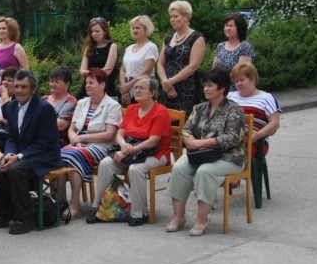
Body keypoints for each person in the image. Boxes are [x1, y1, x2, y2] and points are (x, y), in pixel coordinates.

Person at [165, 68, 246, 236]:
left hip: (229, 157)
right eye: (205, 85)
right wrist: (190, 141)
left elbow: (232, 138)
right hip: (200, 153)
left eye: (210, 85)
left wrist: (201, 143)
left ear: (222, 88)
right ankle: (178, 217)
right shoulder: (199, 108)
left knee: (204, 172)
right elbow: (186, 130)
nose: (206, 89)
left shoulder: (234, 109)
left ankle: (201, 220)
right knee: (178, 168)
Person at [89, 76, 171, 226]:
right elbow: (120, 133)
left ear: (152, 92)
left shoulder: (161, 111)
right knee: (106, 163)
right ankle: (99, 208)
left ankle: (139, 213)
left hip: (156, 153)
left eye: (141, 88)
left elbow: (153, 141)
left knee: (135, 169)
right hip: (131, 150)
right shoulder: (132, 109)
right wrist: (123, 146)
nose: (137, 91)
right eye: (135, 88)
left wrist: (129, 150)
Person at [0, 69, 61, 235]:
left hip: (44, 155)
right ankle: (5, 213)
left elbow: (45, 143)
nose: (19, 90)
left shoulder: (44, 109)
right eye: (17, 86)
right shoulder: (11, 107)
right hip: (20, 154)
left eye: (23, 87)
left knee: (16, 170)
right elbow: (11, 137)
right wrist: (9, 154)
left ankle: (26, 218)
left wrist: (18, 156)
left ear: (33, 89)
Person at [59, 68, 122, 218]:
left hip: (101, 147)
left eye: (91, 83)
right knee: (57, 155)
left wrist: (82, 139)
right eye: (86, 83)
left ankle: (75, 204)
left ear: (102, 85)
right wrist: (74, 140)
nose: (87, 85)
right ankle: (60, 202)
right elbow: (72, 129)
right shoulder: (82, 103)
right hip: (79, 145)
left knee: (74, 156)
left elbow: (109, 134)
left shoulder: (113, 105)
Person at [229, 63, 280, 203]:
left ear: (253, 79)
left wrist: (258, 135)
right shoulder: (230, 96)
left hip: (255, 142)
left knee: (227, 151)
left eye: (242, 80)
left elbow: (274, 123)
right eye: (236, 81)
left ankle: (229, 175)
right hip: (229, 138)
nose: (238, 84)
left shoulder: (266, 98)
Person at [157, 0, 206, 112]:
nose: (172, 19)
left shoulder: (197, 38)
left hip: (188, 90)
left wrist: (170, 82)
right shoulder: (168, 39)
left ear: (186, 17)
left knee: (186, 119)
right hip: (168, 89)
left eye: (175, 16)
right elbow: (160, 64)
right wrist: (165, 83)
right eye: (171, 17)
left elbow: (193, 66)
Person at [118, 15, 159, 105]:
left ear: (146, 29)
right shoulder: (129, 48)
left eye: (137, 28)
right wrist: (124, 89)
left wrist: (129, 85)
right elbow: (123, 70)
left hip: (144, 91)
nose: (134, 30)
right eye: (133, 28)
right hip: (128, 93)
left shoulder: (151, 47)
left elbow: (147, 70)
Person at [212, 13, 255, 90]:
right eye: (226, 25)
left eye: (231, 26)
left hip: (237, 89)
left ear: (239, 28)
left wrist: (219, 80)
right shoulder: (220, 46)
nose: (228, 28)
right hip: (219, 88)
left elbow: (240, 73)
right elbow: (213, 69)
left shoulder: (245, 47)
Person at [78, 17, 118, 98]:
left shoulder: (112, 46)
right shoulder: (88, 48)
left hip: (106, 89)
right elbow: (82, 71)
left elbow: (107, 70)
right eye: (92, 31)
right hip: (88, 90)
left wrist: (89, 74)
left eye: (97, 31)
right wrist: (92, 75)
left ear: (105, 31)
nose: (94, 34)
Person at [0, 17, 29, 91]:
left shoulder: (17, 47)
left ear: (11, 30)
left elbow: (26, 70)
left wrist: (7, 73)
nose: (1, 31)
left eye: (4, 28)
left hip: (12, 88)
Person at [43, 65, 78, 141]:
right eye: (52, 81)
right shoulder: (44, 99)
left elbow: (60, 125)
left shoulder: (71, 102)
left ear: (67, 84)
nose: (53, 84)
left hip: (57, 142)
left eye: (57, 82)